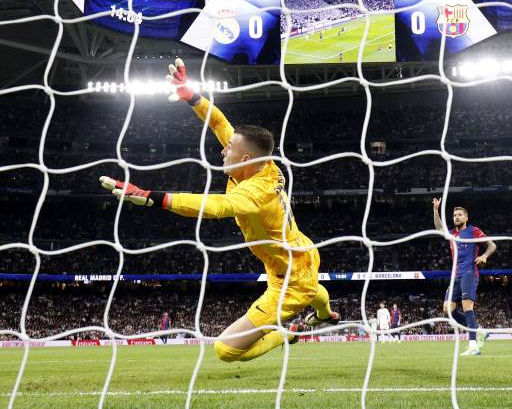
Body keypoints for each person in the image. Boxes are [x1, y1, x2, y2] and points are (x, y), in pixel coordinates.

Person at [99, 59, 339, 363]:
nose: (223, 150)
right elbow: (219, 124)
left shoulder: (256, 192)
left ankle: (287, 334)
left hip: (289, 280)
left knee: (226, 350)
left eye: (229, 149)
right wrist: (193, 97)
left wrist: (153, 198)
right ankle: (324, 314)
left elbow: (216, 207)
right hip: (300, 252)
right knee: (312, 287)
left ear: (245, 158)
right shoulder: (257, 164)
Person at [432, 198, 495, 356]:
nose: (457, 217)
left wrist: (484, 256)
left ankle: (473, 345)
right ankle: (479, 331)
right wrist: (436, 210)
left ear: (466, 217)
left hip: (469, 273)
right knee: (447, 309)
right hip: (455, 275)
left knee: (467, 307)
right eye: (455, 215)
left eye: (460, 215)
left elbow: (492, 245)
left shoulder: (473, 231)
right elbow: (439, 228)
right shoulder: (452, 234)